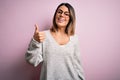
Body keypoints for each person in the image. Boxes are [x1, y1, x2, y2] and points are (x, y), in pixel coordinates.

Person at [25, 3, 85, 80]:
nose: (62, 15)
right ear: (55, 14)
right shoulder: (43, 36)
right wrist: (35, 41)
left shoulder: (74, 38)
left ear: (71, 18)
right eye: (59, 12)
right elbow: (32, 61)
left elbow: (77, 65)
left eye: (66, 14)